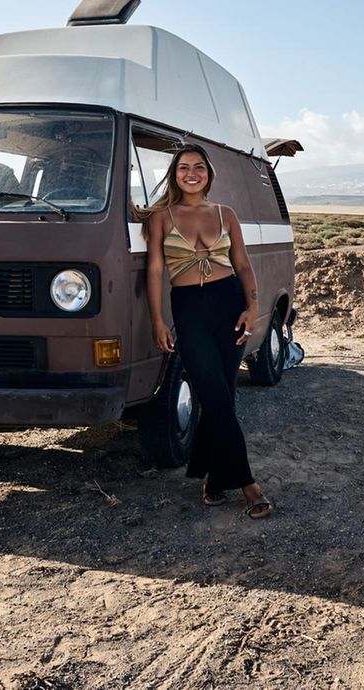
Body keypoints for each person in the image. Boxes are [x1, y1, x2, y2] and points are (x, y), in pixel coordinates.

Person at [144, 143, 272, 519]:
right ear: (174, 174)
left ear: (209, 173)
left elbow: (243, 265)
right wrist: (157, 319)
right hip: (190, 310)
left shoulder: (225, 214)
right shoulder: (162, 218)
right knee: (214, 395)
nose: (191, 173)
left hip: (229, 305)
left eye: (199, 167)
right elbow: (153, 272)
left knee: (222, 393)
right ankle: (249, 484)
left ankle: (213, 479)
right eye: (184, 167)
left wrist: (252, 307)